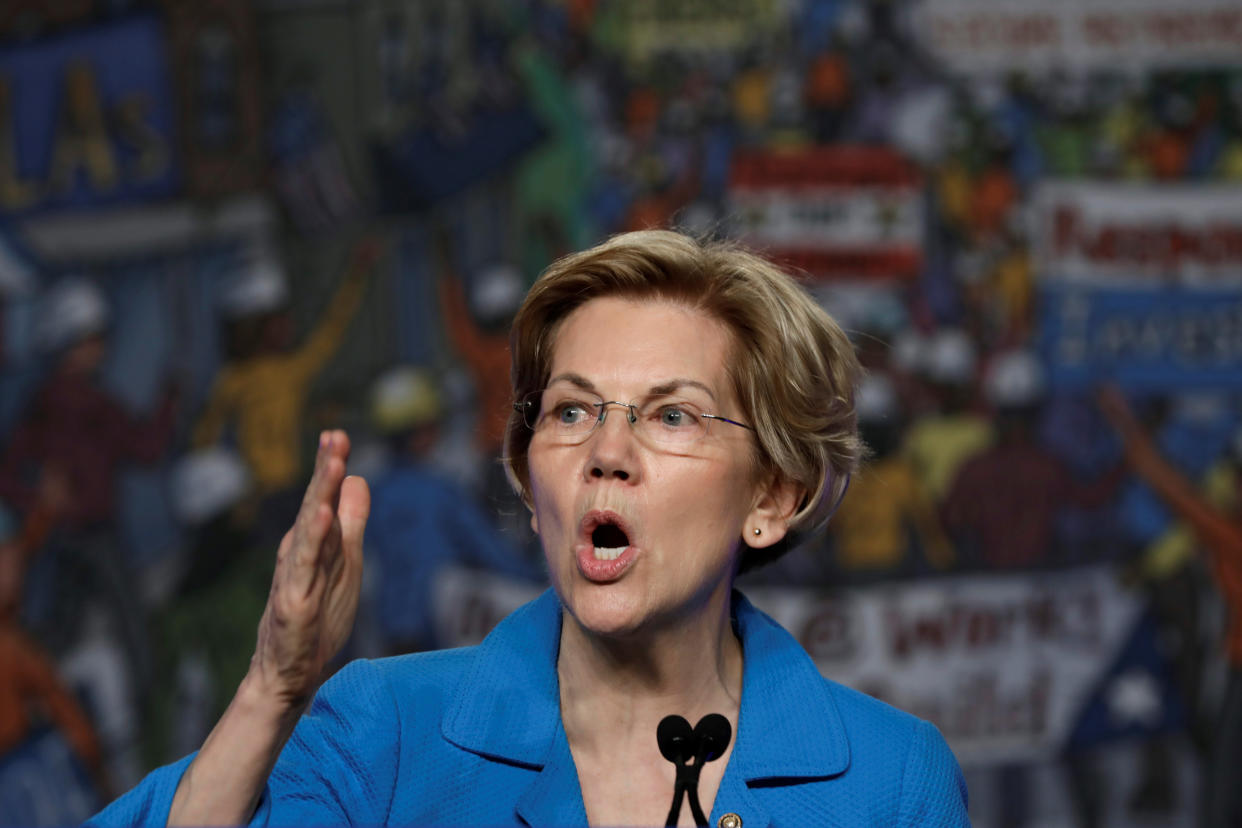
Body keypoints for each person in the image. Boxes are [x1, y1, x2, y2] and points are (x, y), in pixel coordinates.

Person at [89, 230, 969, 827]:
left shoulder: (891, 780)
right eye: (573, 410)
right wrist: (271, 693)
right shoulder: (384, 731)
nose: (607, 452)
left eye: (672, 418)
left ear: (773, 496)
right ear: (526, 469)